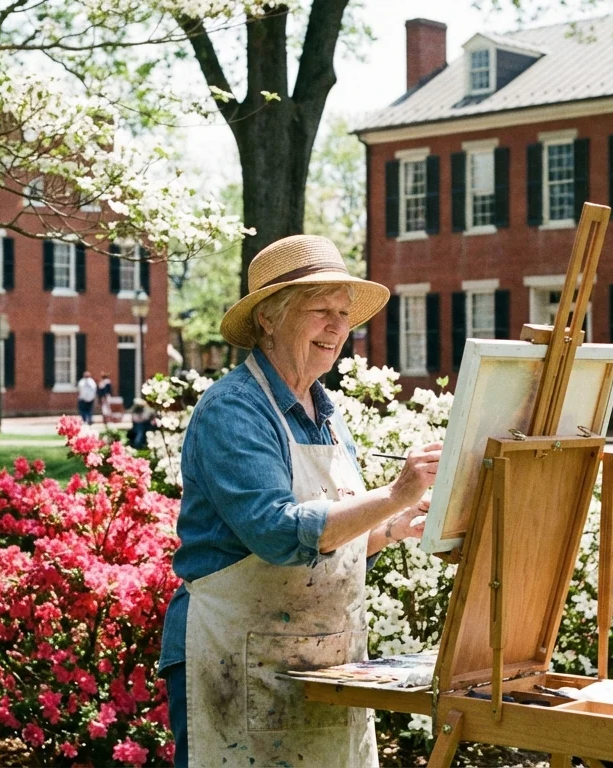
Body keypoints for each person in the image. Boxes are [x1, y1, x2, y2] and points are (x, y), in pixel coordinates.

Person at [158, 235, 439, 766]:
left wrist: (391, 525)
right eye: (320, 311)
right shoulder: (233, 411)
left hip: (325, 663)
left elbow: (337, 540)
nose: (337, 328)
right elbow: (278, 534)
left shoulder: (327, 412)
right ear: (269, 317)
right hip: (236, 659)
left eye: (343, 313)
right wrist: (394, 492)